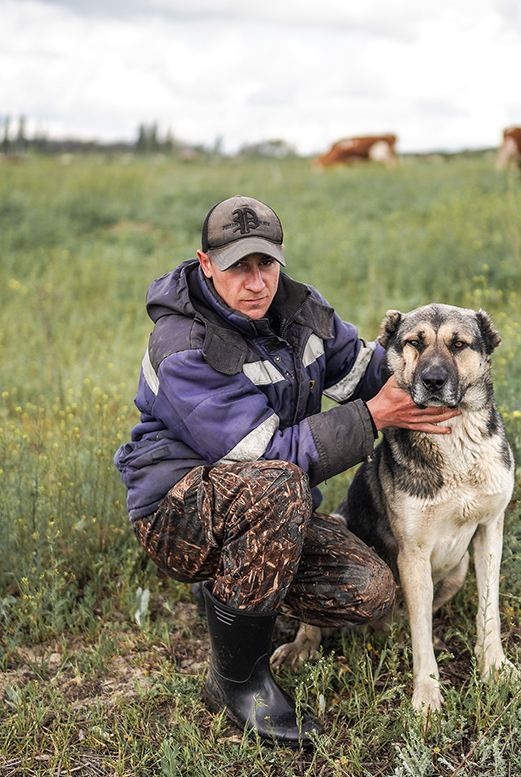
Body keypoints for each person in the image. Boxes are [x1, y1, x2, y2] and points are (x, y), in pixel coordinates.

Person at [114, 195, 458, 749]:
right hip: (176, 510)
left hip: (267, 506)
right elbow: (268, 453)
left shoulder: (302, 314)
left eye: (266, 264)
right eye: (237, 267)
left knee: (369, 591)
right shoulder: (182, 346)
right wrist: (374, 418)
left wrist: (433, 366)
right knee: (279, 482)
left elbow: (369, 371)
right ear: (206, 265)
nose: (256, 282)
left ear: (280, 259)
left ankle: (227, 591)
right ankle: (237, 682)